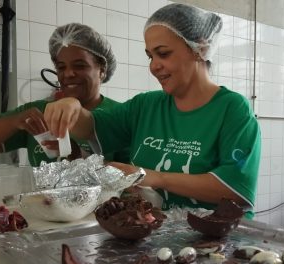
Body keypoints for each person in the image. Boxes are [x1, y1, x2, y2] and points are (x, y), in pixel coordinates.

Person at [44, 3, 261, 214]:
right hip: (158, 238)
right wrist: (72, 107)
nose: (154, 66)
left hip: (217, 242)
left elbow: (236, 189)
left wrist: (153, 177)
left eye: (163, 53)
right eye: (150, 56)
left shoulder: (232, 109)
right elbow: (91, 126)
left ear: (200, 49)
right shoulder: (145, 106)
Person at [0, 23, 129, 167]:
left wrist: (78, 156)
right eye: (61, 67)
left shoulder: (120, 115)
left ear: (102, 70)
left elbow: (135, 180)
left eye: (80, 66)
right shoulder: (39, 112)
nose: (68, 73)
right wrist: (15, 121)